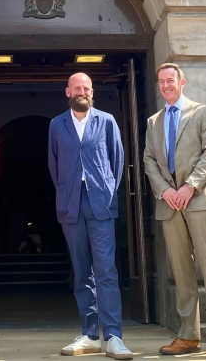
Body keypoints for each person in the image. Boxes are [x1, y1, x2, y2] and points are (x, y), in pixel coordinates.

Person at [142, 63, 206, 359]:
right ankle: (188, 336)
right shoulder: (153, 121)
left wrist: (189, 187)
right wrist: (166, 191)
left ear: (182, 82)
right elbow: (148, 161)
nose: (165, 85)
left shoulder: (201, 112)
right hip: (169, 203)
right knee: (181, 272)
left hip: (197, 200)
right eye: (161, 82)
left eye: (170, 80)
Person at [48, 73, 133, 360]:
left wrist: (105, 191)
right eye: (76, 88)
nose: (81, 91)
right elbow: (54, 164)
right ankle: (89, 334)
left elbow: (116, 162)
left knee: (106, 270)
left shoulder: (107, 121)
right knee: (82, 271)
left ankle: (113, 336)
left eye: (86, 88)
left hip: (100, 204)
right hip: (71, 205)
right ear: (67, 91)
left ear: (92, 91)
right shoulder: (56, 125)